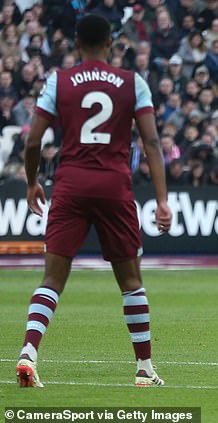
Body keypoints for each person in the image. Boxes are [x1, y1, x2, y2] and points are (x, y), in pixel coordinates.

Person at [16, 15, 172, 387]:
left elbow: (33, 141)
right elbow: (151, 143)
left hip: (70, 184)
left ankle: (27, 353)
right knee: (131, 281)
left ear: (76, 42)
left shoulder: (59, 80)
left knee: (52, 278)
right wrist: (162, 200)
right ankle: (144, 370)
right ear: (110, 42)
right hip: (114, 187)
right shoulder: (133, 83)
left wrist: (33, 182)